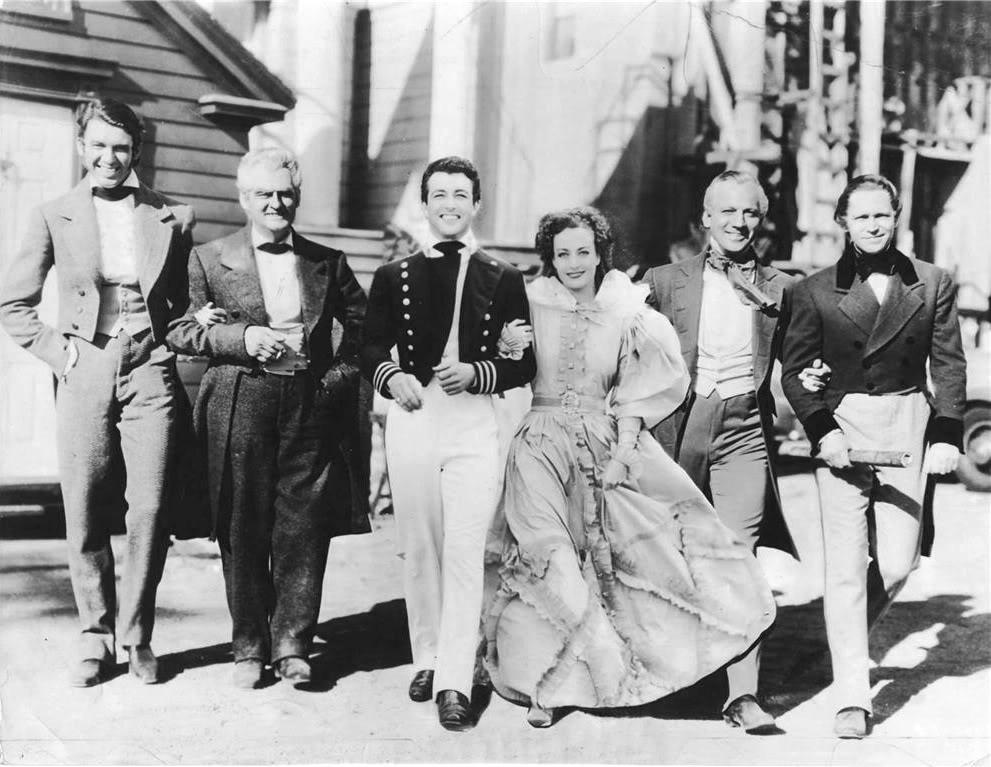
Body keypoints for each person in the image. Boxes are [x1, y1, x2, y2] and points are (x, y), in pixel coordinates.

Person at [482, 206, 776, 728]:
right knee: (547, 558)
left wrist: (622, 454)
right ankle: (542, 688)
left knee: (611, 563)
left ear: (600, 256)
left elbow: (640, 393)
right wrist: (505, 349)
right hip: (538, 445)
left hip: (600, 444)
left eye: (583, 252)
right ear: (549, 258)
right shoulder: (528, 304)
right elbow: (500, 370)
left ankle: (597, 675)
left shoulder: (627, 312)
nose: (573, 262)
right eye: (562, 253)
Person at [0, 99, 194, 687]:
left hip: (150, 367)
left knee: (151, 507)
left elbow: (183, 300)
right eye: (99, 145)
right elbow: (14, 303)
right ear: (82, 147)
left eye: (121, 147)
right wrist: (64, 354)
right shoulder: (53, 213)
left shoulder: (170, 215)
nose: (110, 158)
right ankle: (95, 634)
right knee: (84, 504)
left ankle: (137, 636)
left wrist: (175, 340)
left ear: (136, 151)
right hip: (86, 365)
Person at [165, 148, 369, 689]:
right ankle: (249, 647)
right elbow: (181, 331)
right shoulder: (210, 258)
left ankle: (294, 645)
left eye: (285, 194)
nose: (277, 203)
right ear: (243, 199)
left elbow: (362, 333)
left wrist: (333, 383)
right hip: (239, 403)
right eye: (264, 195)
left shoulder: (329, 261)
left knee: (304, 527)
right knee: (242, 523)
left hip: (311, 403)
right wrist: (240, 338)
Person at [781, 174, 966, 738]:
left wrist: (946, 435)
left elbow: (950, 364)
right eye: (861, 217)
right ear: (844, 222)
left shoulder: (934, 283)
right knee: (843, 568)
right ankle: (852, 695)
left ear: (896, 217)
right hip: (842, 426)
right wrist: (821, 431)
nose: (873, 225)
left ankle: (845, 644)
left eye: (882, 215)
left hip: (907, 420)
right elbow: (795, 371)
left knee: (896, 562)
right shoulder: (812, 290)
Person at [361, 156, 536, 731]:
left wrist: (481, 372)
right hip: (415, 415)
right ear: (426, 203)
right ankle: (429, 655)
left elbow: (524, 363)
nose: (450, 205)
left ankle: (456, 681)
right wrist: (394, 379)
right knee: (420, 545)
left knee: (465, 548)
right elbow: (369, 350)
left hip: (472, 422)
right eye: (439, 195)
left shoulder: (505, 276)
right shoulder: (394, 276)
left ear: (476, 203)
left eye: (460, 195)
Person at [641, 171, 799, 731]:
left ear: (761, 219)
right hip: (674, 428)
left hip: (744, 432)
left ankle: (742, 694)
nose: (738, 223)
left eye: (749, 213)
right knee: (661, 552)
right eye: (726, 212)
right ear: (705, 218)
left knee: (739, 560)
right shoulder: (663, 280)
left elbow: (805, 355)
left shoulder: (782, 287)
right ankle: (657, 677)